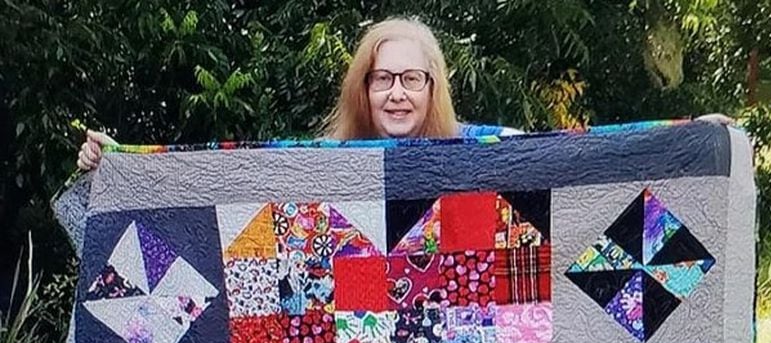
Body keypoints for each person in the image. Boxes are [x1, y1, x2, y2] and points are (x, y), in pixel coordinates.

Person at [76, 17, 517, 171]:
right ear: (363, 88)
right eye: (382, 78)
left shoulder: (470, 147)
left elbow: (534, 155)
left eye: (411, 79)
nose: (396, 92)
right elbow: (214, 176)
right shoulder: (326, 163)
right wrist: (123, 162)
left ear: (432, 86)